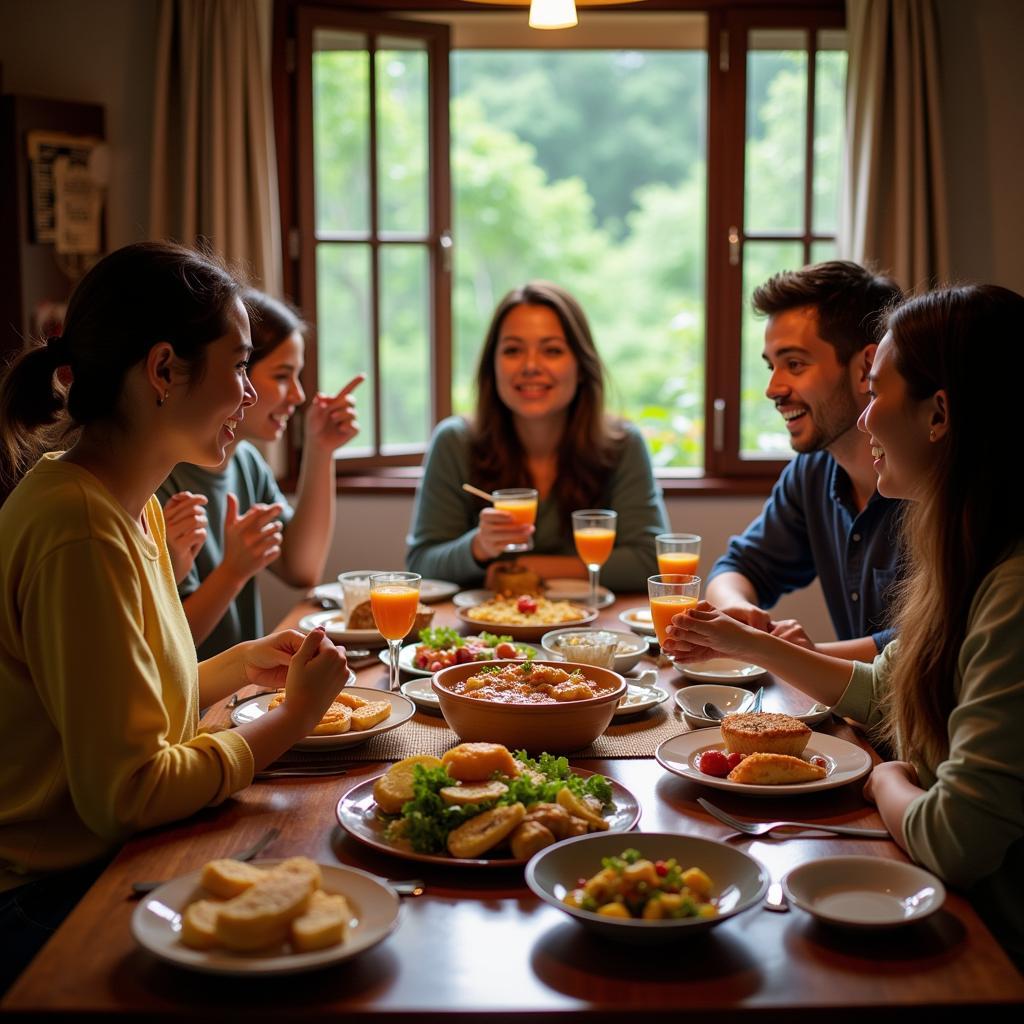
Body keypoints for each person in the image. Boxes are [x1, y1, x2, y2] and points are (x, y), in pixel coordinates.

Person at [0, 243, 349, 990]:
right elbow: (127, 795)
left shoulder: (135, 508)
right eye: (239, 365)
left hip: (108, 864)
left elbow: (131, 709)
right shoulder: (79, 528)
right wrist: (289, 721)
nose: (252, 398)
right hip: (50, 899)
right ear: (163, 371)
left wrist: (238, 664)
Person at [664, 285, 1024, 966]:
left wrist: (885, 779)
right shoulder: (964, 553)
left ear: (939, 414)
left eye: (877, 395)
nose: (865, 420)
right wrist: (746, 640)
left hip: (993, 943)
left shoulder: (1010, 587)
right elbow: (883, 686)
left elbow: (955, 839)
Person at [406, 281, 668, 590]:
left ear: (582, 367)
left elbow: (649, 563)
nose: (531, 366)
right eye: (513, 350)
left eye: (552, 350)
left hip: (594, 633)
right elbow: (420, 565)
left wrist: (518, 566)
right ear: (493, 366)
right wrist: (478, 547)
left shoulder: (623, 444)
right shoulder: (455, 442)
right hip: (483, 635)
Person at [702, 261, 905, 660]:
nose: (773, 388)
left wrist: (799, 656)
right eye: (771, 365)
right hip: (856, 717)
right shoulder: (814, 470)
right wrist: (735, 611)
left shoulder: (929, 477)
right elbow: (741, 565)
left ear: (867, 367)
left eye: (794, 364)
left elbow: (934, 638)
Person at [158, 289, 364, 659]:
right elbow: (170, 648)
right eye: (283, 376)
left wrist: (321, 450)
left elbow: (301, 568)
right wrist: (233, 571)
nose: (299, 395)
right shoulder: (161, 478)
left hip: (240, 692)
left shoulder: (247, 461)